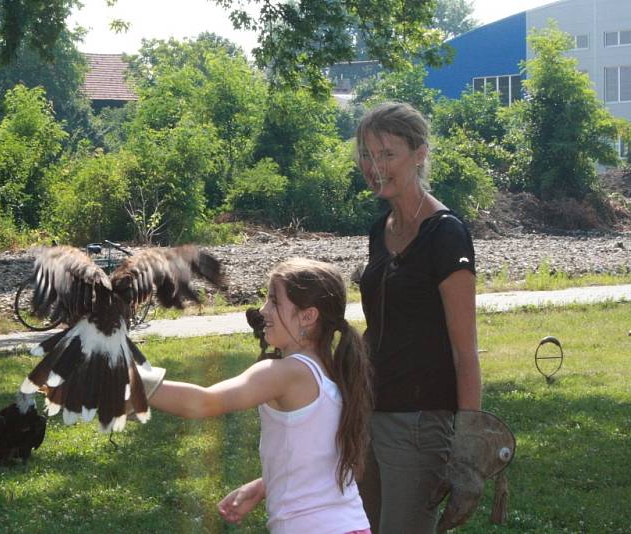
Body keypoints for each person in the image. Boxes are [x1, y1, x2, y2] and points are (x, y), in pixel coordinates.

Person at [147, 258, 373, 534]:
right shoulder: (331, 367)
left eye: (274, 301)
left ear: (308, 316)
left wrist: (125, 376)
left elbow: (204, 402)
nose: (263, 310)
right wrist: (263, 485)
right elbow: (316, 455)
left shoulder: (286, 372)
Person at [354, 101, 482, 533]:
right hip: (371, 411)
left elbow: (465, 351)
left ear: (420, 153)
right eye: (367, 155)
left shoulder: (445, 234)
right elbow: (381, 326)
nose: (375, 167)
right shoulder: (379, 229)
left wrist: (468, 441)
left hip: (420, 421)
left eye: (387, 154)